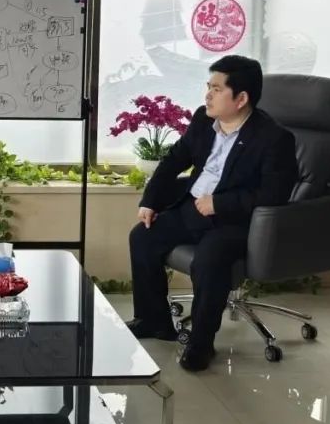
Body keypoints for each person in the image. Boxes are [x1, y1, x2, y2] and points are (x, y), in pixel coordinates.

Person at [127, 56, 298, 372]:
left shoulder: (274, 139)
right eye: (208, 87)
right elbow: (173, 161)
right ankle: (154, 321)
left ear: (241, 98)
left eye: (217, 89)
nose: (207, 95)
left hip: (234, 222)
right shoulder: (203, 121)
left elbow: (274, 194)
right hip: (192, 208)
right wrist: (149, 201)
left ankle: (201, 344)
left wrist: (220, 204)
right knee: (143, 237)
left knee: (208, 260)